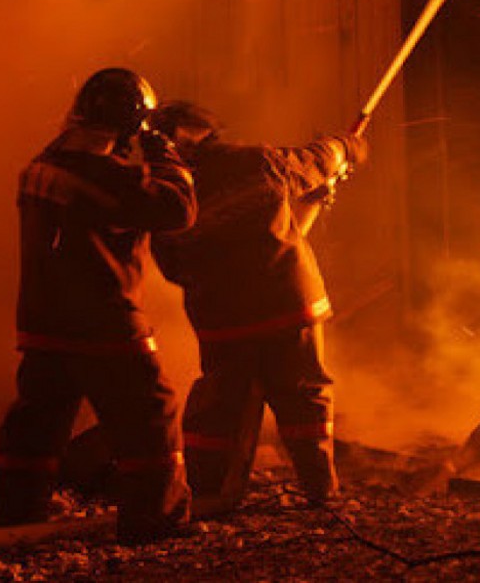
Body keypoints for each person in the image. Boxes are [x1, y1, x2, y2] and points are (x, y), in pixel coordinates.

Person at [0, 67, 195, 544]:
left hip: (44, 323)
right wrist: (165, 155)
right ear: (130, 126)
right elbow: (177, 209)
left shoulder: (43, 165)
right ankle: (155, 521)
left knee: (36, 426)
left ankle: (14, 522)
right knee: (151, 415)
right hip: (103, 324)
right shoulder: (106, 178)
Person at [149, 101, 366, 506]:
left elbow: (173, 268)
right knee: (304, 398)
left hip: (222, 321)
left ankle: (207, 493)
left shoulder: (168, 195)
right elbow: (315, 161)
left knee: (219, 409)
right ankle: (321, 491)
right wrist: (344, 146)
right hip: (288, 308)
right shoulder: (256, 163)